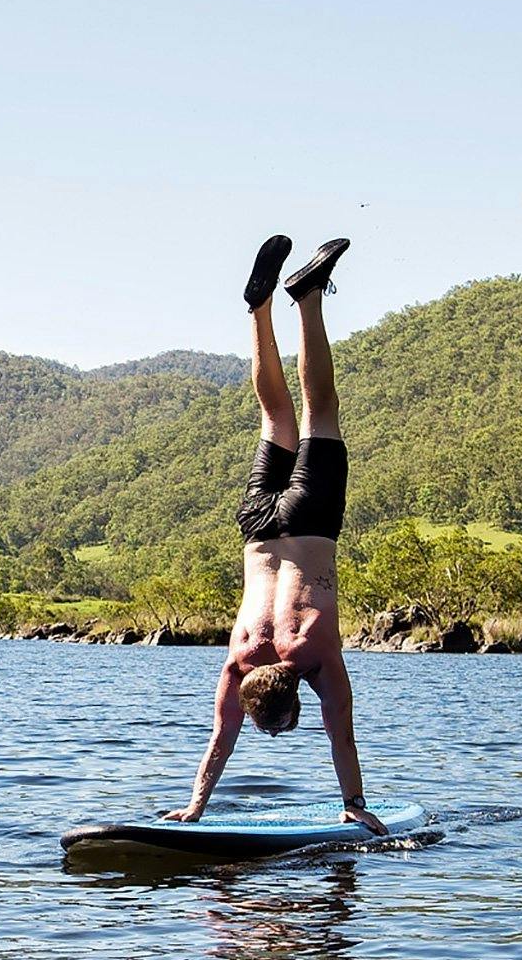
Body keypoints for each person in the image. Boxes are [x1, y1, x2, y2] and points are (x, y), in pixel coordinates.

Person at [164, 236, 385, 835]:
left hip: (310, 520)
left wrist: (355, 803)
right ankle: (259, 311)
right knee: (277, 419)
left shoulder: (313, 655)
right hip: (257, 526)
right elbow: (218, 741)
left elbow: (342, 733)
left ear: (293, 699)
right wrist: (194, 805)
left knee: (319, 409)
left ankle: (308, 298)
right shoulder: (239, 661)